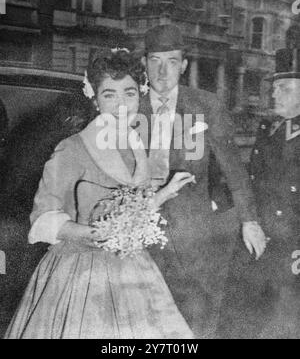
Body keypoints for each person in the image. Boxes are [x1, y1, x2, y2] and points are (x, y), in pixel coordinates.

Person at [4, 49, 195, 339]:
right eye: (110, 95)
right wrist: (94, 235)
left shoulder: (136, 145)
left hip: (133, 268)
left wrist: (164, 194)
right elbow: (43, 218)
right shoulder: (73, 148)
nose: (121, 104)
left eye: (129, 93)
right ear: (93, 96)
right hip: (80, 272)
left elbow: (133, 212)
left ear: (141, 93)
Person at [138, 24, 267, 338]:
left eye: (171, 61)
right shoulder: (129, 108)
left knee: (195, 316)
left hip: (194, 234)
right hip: (140, 229)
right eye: (155, 60)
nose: (162, 70)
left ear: (183, 66)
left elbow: (234, 170)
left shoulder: (207, 106)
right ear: (144, 64)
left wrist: (250, 220)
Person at [217, 48, 300, 339]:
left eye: (284, 88)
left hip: (292, 242)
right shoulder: (269, 126)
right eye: (274, 88)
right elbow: (254, 177)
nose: (274, 95)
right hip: (258, 233)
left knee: (284, 323)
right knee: (240, 316)